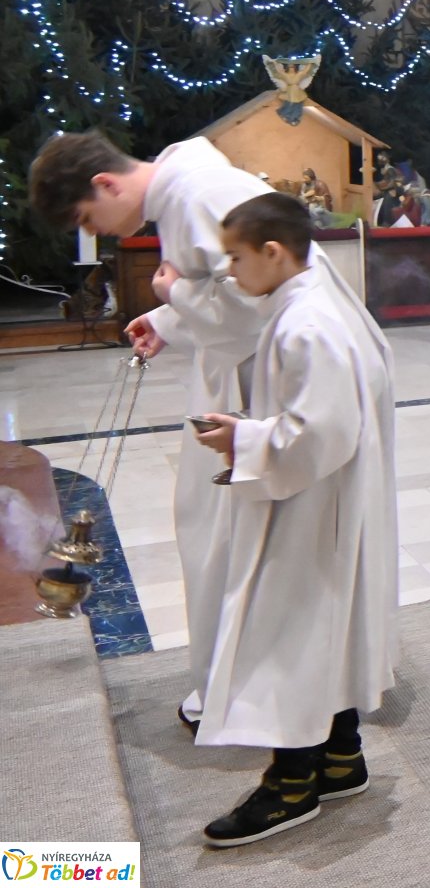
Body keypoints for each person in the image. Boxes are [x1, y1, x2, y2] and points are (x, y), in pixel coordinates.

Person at [28, 130, 271, 735]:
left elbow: (261, 303)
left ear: (105, 184)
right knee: (210, 534)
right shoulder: (190, 191)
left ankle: (245, 691)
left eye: (92, 218)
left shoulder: (196, 194)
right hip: (240, 382)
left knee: (226, 541)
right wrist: (169, 316)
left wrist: (173, 295)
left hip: (260, 388)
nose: (106, 233)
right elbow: (226, 291)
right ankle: (234, 682)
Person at [187, 193, 398, 848]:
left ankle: (292, 784)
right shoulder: (314, 306)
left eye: (237, 258)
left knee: (290, 638)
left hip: (312, 508)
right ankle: (340, 756)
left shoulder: (308, 323)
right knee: (319, 633)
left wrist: (244, 440)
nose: (231, 272)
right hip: (324, 502)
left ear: (273, 253)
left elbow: (323, 431)